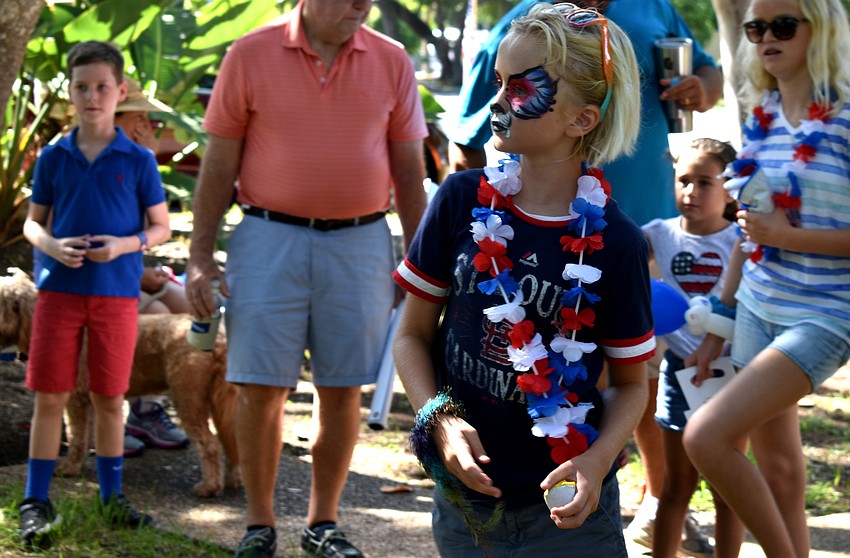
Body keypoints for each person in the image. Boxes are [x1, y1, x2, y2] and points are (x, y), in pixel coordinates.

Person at [449, 2, 722, 551]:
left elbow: (710, 74)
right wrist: (477, 208)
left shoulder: (655, 7)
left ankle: (650, 495)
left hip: (631, 218)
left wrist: (699, 85)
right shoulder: (530, 20)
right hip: (522, 213)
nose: (507, 95)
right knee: (532, 347)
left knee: (627, 361)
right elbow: (476, 115)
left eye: (519, 88)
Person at [393, 4, 654, 556]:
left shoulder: (619, 244)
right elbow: (411, 334)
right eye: (499, 82)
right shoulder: (460, 200)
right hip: (466, 506)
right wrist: (436, 419)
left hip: (566, 515)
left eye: (521, 88)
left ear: (581, 119)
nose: (497, 101)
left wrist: (597, 458)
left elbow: (632, 385)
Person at [184, 0, 428, 556]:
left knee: (342, 388)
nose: (362, 3)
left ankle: (324, 524)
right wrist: (199, 257)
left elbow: (410, 172)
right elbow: (219, 165)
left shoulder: (391, 60)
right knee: (260, 388)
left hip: (362, 240)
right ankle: (259, 525)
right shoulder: (250, 54)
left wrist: (420, 265)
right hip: (269, 237)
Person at [682, 0, 850, 556]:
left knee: (706, 437)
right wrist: (719, 322)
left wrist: (789, 236)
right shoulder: (761, 119)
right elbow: (750, 235)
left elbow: (774, 231)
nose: (765, 37)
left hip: (825, 313)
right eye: (756, 28)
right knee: (778, 470)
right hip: (757, 302)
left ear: (821, 29)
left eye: (783, 25)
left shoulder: (847, 118)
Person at [18, 40, 170, 548]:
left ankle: (113, 498)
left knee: (110, 397)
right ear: (69, 92)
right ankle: (35, 501)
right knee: (50, 396)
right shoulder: (53, 158)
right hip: (59, 293)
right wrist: (54, 247)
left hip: (116, 294)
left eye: (102, 87)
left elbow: (161, 227)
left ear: (120, 91)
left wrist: (126, 245)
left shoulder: (139, 159)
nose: (92, 96)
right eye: (81, 87)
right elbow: (33, 226)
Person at [642, 138, 744, 558]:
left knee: (730, 489)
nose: (691, 191)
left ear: (729, 190)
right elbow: (617, 263)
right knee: (675, 486)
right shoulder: (657, 234)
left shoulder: (743, 240)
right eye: (684, 180)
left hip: (734, 377)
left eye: (705, 182)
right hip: (677, 375)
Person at [112, 81, 191, 457]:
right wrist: (138, 275)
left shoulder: (138, 158)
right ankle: (134, 406)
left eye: (149, 118)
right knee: (157, 314)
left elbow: (150, 229)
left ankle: (151, 406)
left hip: (130, 268)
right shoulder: (92, 158)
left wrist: (148, 159)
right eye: (138, 117)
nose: (148, 125)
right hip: (103, 277)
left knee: (189, 305)